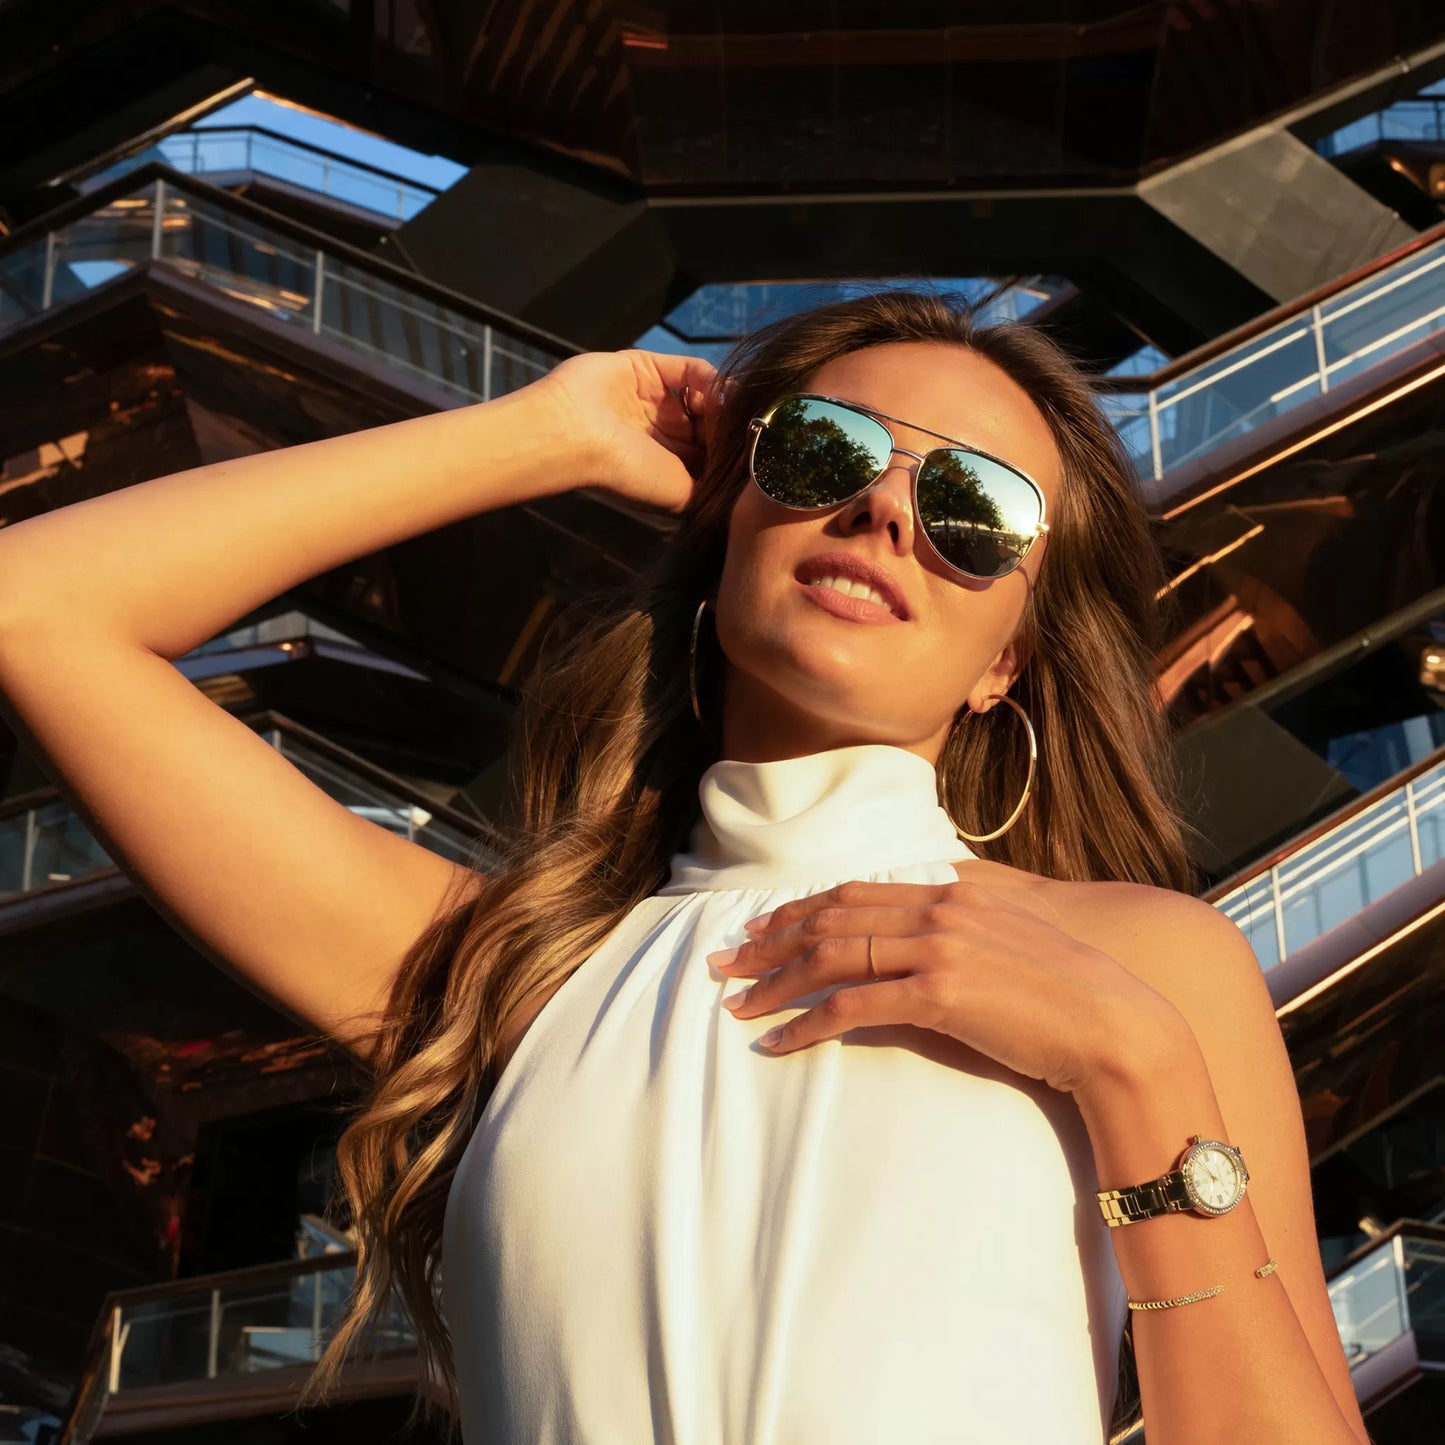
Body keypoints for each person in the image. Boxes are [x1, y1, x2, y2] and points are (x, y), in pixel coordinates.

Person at [0, 289, 1369, 1445]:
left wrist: (1131, 1065)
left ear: (1007, 658)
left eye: (972, 508)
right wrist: (540, 431)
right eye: (825, 452)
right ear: (725, 539)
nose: (886, 508)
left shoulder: (1140, 962)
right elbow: (37, 606)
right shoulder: (508, 971)